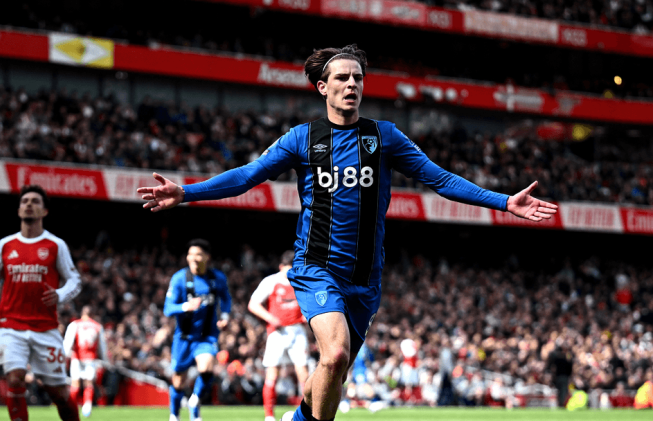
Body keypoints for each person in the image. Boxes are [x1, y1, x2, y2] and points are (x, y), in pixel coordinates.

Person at [138, 44, 558, 421]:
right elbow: (247, 176)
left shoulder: (384, 137)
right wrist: (187, 192)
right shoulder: (302, 139)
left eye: (358, 77)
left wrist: (504, 201)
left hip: (366, 279)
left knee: (330, 376)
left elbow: (440, 179)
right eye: (342, 77)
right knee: (336, 353)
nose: (352, 84)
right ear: (323, 87)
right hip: (316, 268)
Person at [0, 185, 82, 421]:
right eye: (25, 201)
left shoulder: (55, 245)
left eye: (35, 201)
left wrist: (59, 294)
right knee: (14, 379)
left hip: (45, 328)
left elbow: (74, 280)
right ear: (18, 210)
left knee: (58, 393)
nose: (29, 204)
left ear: (44, 211)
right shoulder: (6, 244)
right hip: (11, 326)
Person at [164, 239, 232, 421]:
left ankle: (194, 402)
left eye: (198, 254)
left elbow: (226, 298)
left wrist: (225, 316)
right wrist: (186, 306)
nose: (193, 258)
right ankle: (174, 414)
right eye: (190, 254)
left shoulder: (217, 278)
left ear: (207, 257)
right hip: (184, 337)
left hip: (206, 337)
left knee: (207, 367)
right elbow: (168, 308)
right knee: (178, 380)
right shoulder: (179, 278)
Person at [248, 250, 310, 421]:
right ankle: (269, 416)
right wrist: (270, 318)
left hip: (297, 331)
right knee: (272, 374)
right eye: (287, 269)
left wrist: (307, 316)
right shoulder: (271, 281)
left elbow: (310, 305)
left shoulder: (302, 281)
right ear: (281, 266)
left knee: (303, 374)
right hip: (277, 333)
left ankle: (305, 414)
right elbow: (253, 304)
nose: (290, 273)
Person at [63, 305, 109, 418]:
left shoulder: (74, 324)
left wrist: (65, 356)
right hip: (91, 358)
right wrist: (105, 360)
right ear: (92, 314)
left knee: (75, 384)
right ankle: (87, 408)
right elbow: (102, 346)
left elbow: (68, 342)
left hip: (77, 358)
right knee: (89, 383)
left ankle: (71, 407)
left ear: (82, 313)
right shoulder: (97, 326)